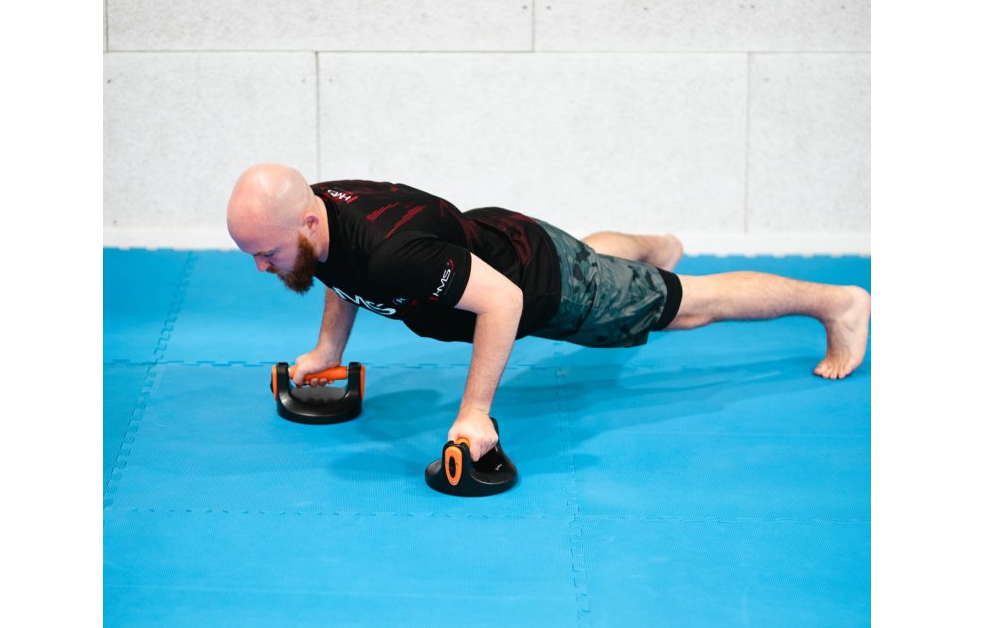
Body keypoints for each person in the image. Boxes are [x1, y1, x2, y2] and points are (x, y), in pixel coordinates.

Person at [227, 164, 871, 460]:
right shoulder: (321, 218)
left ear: (307, 220)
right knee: (594, 259)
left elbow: (503, 302)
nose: (261, 267)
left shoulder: (393, 254)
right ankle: (657, 249)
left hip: (544, 286)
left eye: (267, 253)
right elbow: (339, 273)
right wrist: (329, 351)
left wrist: (474, 412)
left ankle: (836, 304)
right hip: (508, 239)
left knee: (684, 307)